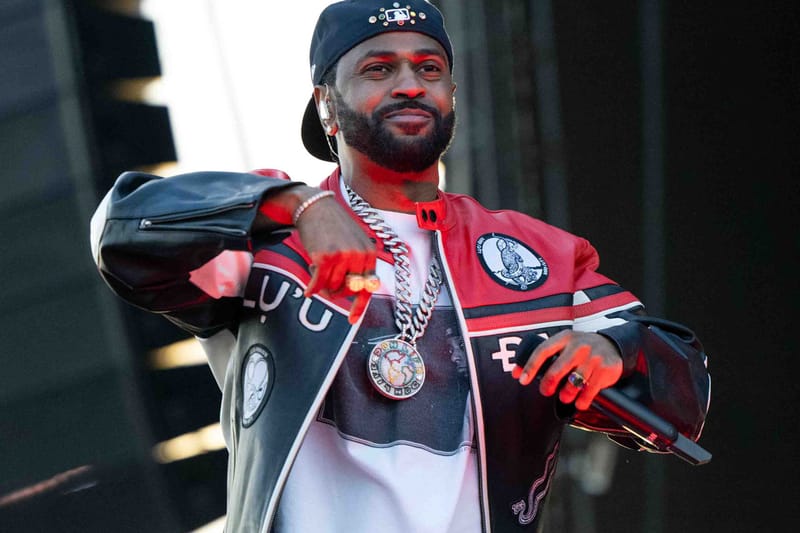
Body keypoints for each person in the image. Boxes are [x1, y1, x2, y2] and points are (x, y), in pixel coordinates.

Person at [89, 1, 710, 531]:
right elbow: (122, 231)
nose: (411, 84)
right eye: (378, 69)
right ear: (326, 106)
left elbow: (681, 388)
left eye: (429, 68)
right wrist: (299, 205)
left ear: (451, 95)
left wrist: (615, 350)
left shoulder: (540, 255)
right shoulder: (265, 245)